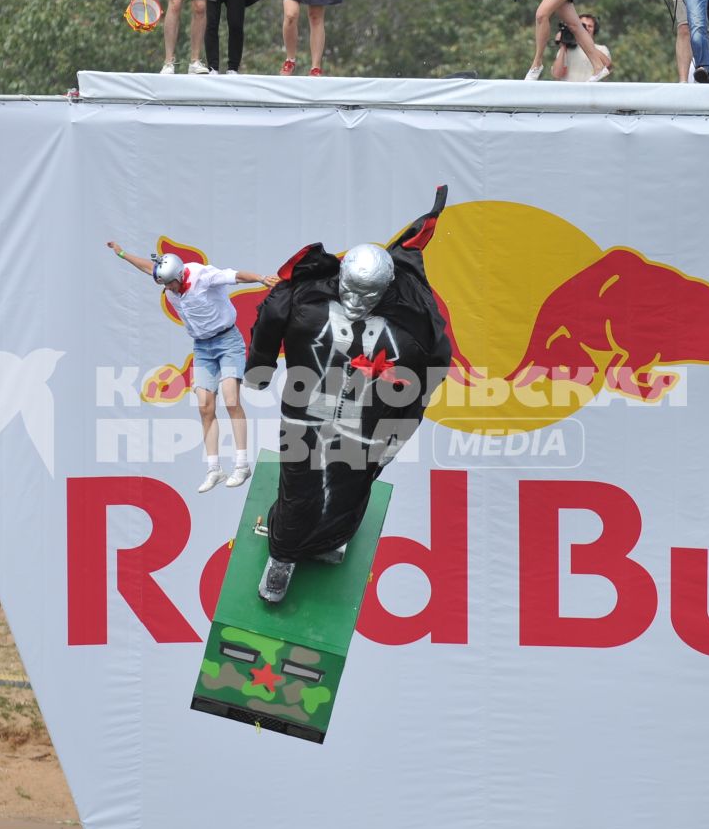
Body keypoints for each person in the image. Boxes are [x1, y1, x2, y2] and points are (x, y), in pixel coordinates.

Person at [244, 192, 454, 602]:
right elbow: (269, 320)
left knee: (349, 487)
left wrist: (397, 434)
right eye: (350, 291)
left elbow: (429, 377)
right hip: (307, 414)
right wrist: (259, 370)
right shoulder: (305, 298)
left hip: (365, 423)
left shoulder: (414, 324)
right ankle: (283, 554)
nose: (356, 303)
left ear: (387, 288)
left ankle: (327, 539)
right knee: (299, 487)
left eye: (367, 295)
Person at [107, 239, 277, 491]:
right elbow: (146, 267)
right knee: (205, 407)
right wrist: (122, 254)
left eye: (170, 284)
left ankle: (241, 464)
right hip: (202, 348)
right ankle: (214, 469)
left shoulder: (201, 275)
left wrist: (261, 278)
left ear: (179, 275)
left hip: (227, 341)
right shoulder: (167, 281)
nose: (168, 290)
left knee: (231, 399)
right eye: (163, 285)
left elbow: (235, 276)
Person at [551, 12, 612, 83]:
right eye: (583, 26)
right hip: (570, 92)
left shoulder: (601, 49)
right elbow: (557, 74)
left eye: (590, 26)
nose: (586, 28)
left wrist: (586, 43)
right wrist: (563, 45)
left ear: (594, 30)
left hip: (592, 91)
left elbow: (608, 67)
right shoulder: (567, 49)